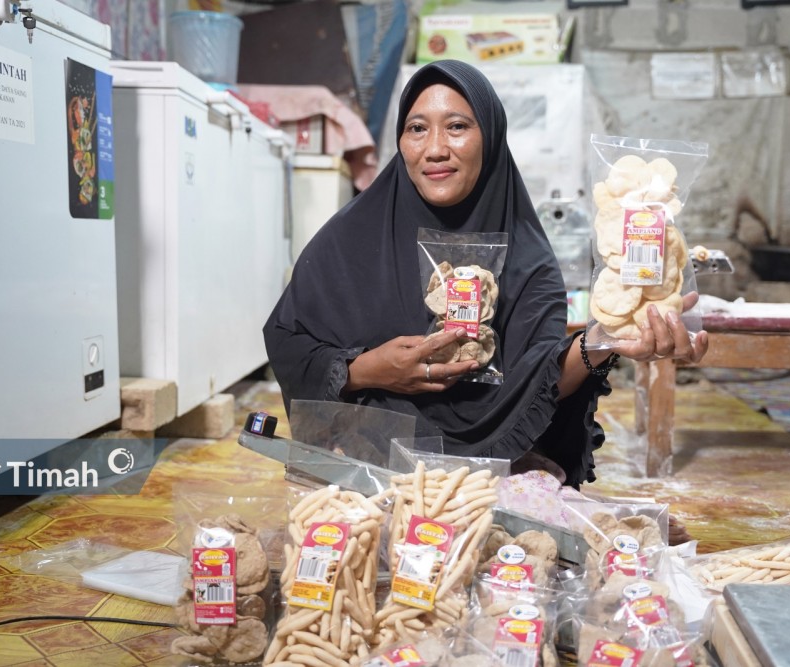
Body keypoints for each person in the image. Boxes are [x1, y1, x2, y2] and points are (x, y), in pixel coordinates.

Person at [263, 59, 709, 489]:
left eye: (457, 126)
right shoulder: (354, 237)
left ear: (491, 137)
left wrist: (605, 339)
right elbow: (287, 339)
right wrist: (367, 370)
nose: (435, 148)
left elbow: (538, 381)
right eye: (417, 128)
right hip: (368, 469)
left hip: (488, 480)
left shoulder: (526, 257)